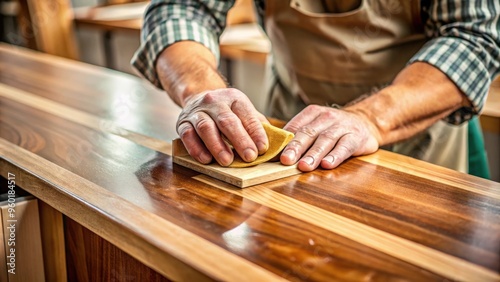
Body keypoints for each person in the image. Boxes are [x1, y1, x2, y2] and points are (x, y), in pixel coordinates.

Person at [132, 0, 499, 176]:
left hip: (415, 140)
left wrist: (369, 118)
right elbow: (179, 9)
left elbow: (474, 37)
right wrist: (199, 90)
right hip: (290, 126)